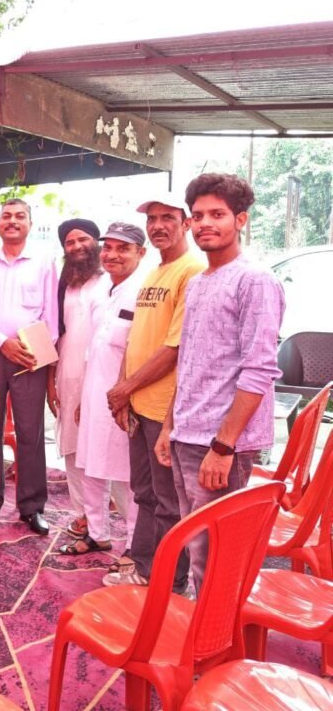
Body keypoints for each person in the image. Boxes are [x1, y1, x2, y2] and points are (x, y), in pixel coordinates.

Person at [156, 173, 284, 590]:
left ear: (240, 220)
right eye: (198, 216)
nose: (205, 223)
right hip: (187, 435)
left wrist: (223, 447)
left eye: (218, 214)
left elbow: (259, 370)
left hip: (220, 443)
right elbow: (190, 360)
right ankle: (206, 623)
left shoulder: (255, 280)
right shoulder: (198, 283)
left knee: (215, 558)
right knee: (197, 547)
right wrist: (169, 426)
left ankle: (218, 629)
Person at [103, 193, 204, 591]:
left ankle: (169, 582)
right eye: (152, 219)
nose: (158, 225)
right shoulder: (155, 272)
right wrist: (124, 392)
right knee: (144, 493)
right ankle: (144, 565)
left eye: (168, 218)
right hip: (140, 405)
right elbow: (137, 339)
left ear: (187, 224)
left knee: (169, 502)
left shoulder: (191, 271)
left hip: (166, 410)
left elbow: (174, 348)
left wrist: (126, 387)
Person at [0, 199, 59, 533]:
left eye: (20, 216)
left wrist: (33, 348)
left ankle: (31, 507)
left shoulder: (44, 263)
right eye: (6, 216)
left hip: (29, 357)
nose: (12, 221)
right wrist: (2, 342)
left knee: (30, 432)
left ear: (30, 224)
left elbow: (51, 314)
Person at [62, 223, 146, 555]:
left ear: (141, 253)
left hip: (125, 397)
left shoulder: (143, 292)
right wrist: (84, 397)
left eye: (123, 248)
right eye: (108, 247)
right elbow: (92, 349)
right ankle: (97, 534)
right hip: (94, 393)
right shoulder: (103, 290)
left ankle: (134, 546)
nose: (113, 255)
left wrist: (125, 394)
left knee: (128, 476)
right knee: (90, 466)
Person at [46, 218, 102, 539]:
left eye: (83, 239)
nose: (78, 246)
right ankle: (82, 514)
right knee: (72, 446)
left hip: (103, 378)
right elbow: (55, 336)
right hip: (67, 377)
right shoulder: (63, 286)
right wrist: (49, 383)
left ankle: (109, 516)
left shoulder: (110, 282)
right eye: (70, 242)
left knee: (103, 447)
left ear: (96, 242)